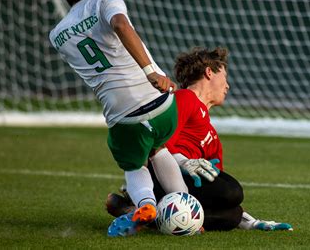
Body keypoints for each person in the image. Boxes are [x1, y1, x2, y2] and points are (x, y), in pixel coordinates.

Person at [48, 0, 188, 237]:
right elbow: (120, 25)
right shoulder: (107, 3)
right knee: (159, 148)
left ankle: (146, 205)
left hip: (124, 117)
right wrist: (150, 72)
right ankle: (186, 205)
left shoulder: (57, 35)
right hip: (163, 104)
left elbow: (89, 30)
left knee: (134, 164)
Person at [106, 47, 293, 232]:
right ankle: (148, 200)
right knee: (232, 191)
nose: (227, 86)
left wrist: (253, 223)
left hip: (187, 190)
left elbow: (215, 183)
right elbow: (158, 146)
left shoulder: (212, 135)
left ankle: (137, 211)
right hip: (164, 176)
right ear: (209, 72)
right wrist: (185, 162)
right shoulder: (184, 98)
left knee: (233, 215)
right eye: (225, 78)